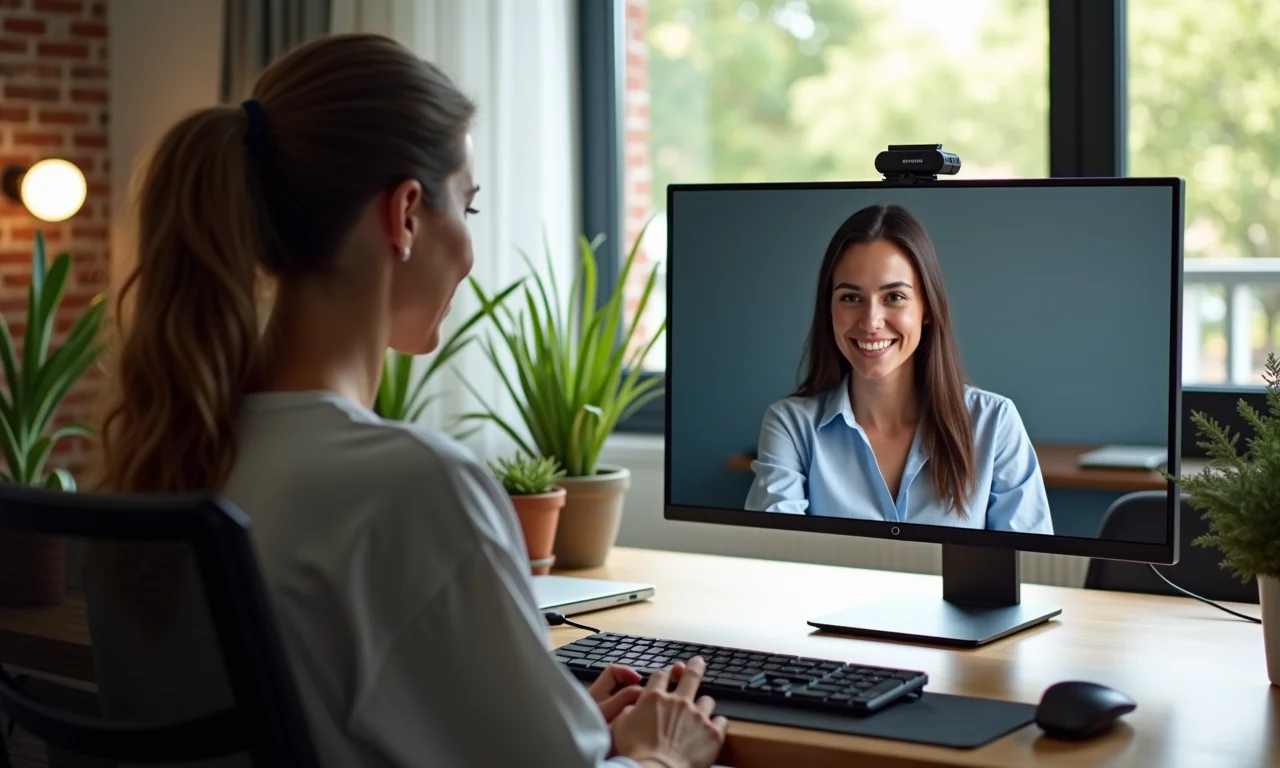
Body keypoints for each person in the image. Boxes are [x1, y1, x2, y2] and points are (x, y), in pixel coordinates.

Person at [85, 33, 727, 768]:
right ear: (407, 214)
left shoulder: (155, 458)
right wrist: (661, 754)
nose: (470, 250)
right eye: (471, 209)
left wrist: (556, 726)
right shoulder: (411, 485)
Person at [744, 203, 1053, 534]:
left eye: (893, 297)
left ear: (927, 309)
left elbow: (1029, 569)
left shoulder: (994, 424)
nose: (871, 322)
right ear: (829, 310)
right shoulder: (790, 427)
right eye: (851, 298)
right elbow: (774, 560)